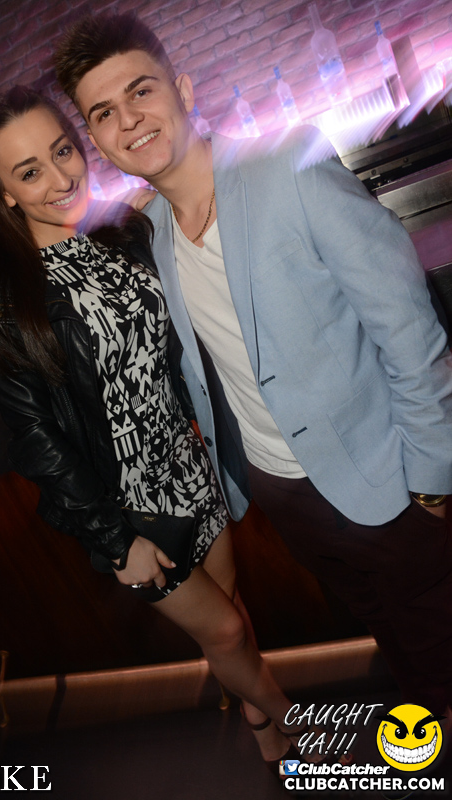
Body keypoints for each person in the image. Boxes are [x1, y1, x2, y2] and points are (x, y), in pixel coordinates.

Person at [54, 13, 452, 719]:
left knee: (439, 643)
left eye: (140, 90)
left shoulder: (285, 163)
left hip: (390, 475)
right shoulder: (152, 234)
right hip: (283, 494)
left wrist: (431, 470)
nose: (128, 119)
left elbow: (407, 324)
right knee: (390, 635)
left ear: (181, 90)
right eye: (103, 113)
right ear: (98, 141)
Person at [0, 85, 330, 768]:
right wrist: (112, 539)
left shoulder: (122, 236)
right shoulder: (3, 297)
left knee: (231, 613)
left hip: (190, 467)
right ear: (3, 192)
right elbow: (37, 440)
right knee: (225, 631)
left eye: (63, 152)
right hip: (128, 508)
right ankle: (301, 726)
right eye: (30, 171)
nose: (61, 178)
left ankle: (261, 728)